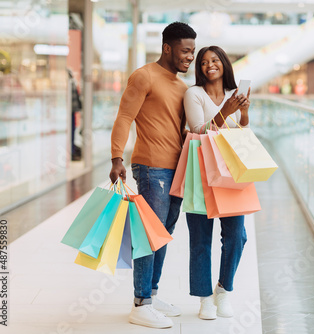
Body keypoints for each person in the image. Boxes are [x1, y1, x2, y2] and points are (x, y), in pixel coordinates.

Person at [109, 22, 196, 329]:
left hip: (176, 169)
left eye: (193, 52)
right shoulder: (143, 76)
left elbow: (184, 130)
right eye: (185, 51)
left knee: (163, 234)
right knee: (148, 235)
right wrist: (116, 157)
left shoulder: (183, 88)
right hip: (151, 168)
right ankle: (140, 303)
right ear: (167, 48)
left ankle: (152, 293)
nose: (189, 57)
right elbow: (124, 117)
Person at [183, 46, 250, 320]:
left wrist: (243, 112)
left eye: (215, 60)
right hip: (201, 170)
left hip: (231, 171)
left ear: (224, 64)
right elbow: (198, 131)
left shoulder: (234, 96)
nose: (209, 65)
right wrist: (226, 111)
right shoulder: (193, 94)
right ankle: (204, 299)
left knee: (236, 236)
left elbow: (242, 131)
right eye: (203, 62)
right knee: (200, 239)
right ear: (199, 69)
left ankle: (223, 289)